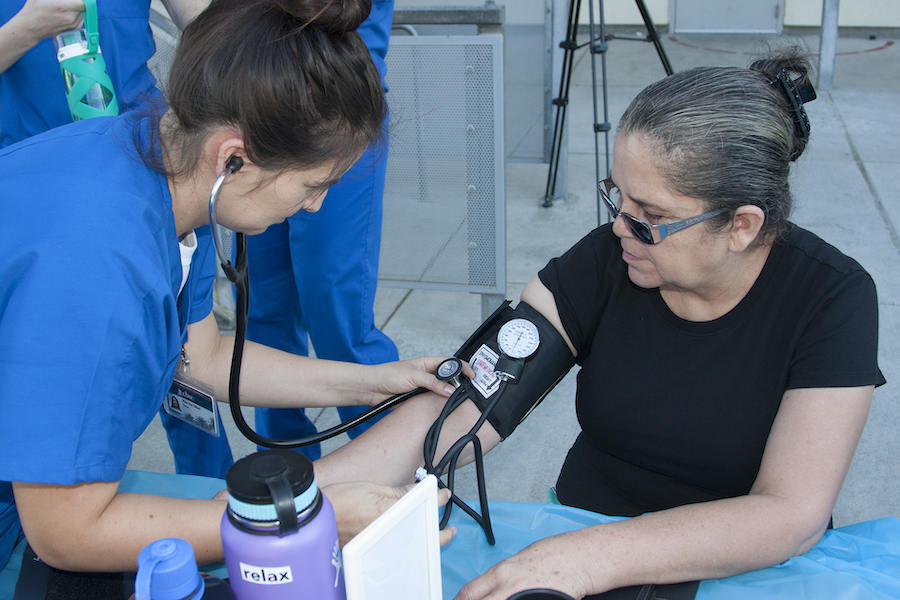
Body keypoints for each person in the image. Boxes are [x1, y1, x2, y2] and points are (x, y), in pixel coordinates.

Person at [313, 49, 885, 599]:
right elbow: (469, 405)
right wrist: (308, 501)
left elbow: (790, 512)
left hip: (739, 564)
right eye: (618, 198)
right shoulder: (610, 259)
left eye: (651, 218)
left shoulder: (832, 296)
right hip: (583, 525)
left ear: (741, 225)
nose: (620, 228)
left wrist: (589, 556)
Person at [0, 0, 458, 582]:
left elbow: (206, 358)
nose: (314, 206)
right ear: (235, 156)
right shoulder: (97, 265)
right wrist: (295, 520)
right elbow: (67, 532)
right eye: (313, 185)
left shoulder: (152, 158)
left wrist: (378, 381)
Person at [0, 0, 239, 480]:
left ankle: (207, 490)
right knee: (60, 397)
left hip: (155, 168)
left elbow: (216, 22)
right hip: (43, 192)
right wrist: (25, 31)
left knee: (187, 365)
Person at [247, 0, 398, 460]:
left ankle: (393, 463)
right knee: (265, 311)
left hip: (337, 114)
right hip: (257, 104)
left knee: (338, 313)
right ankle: (286, 461)